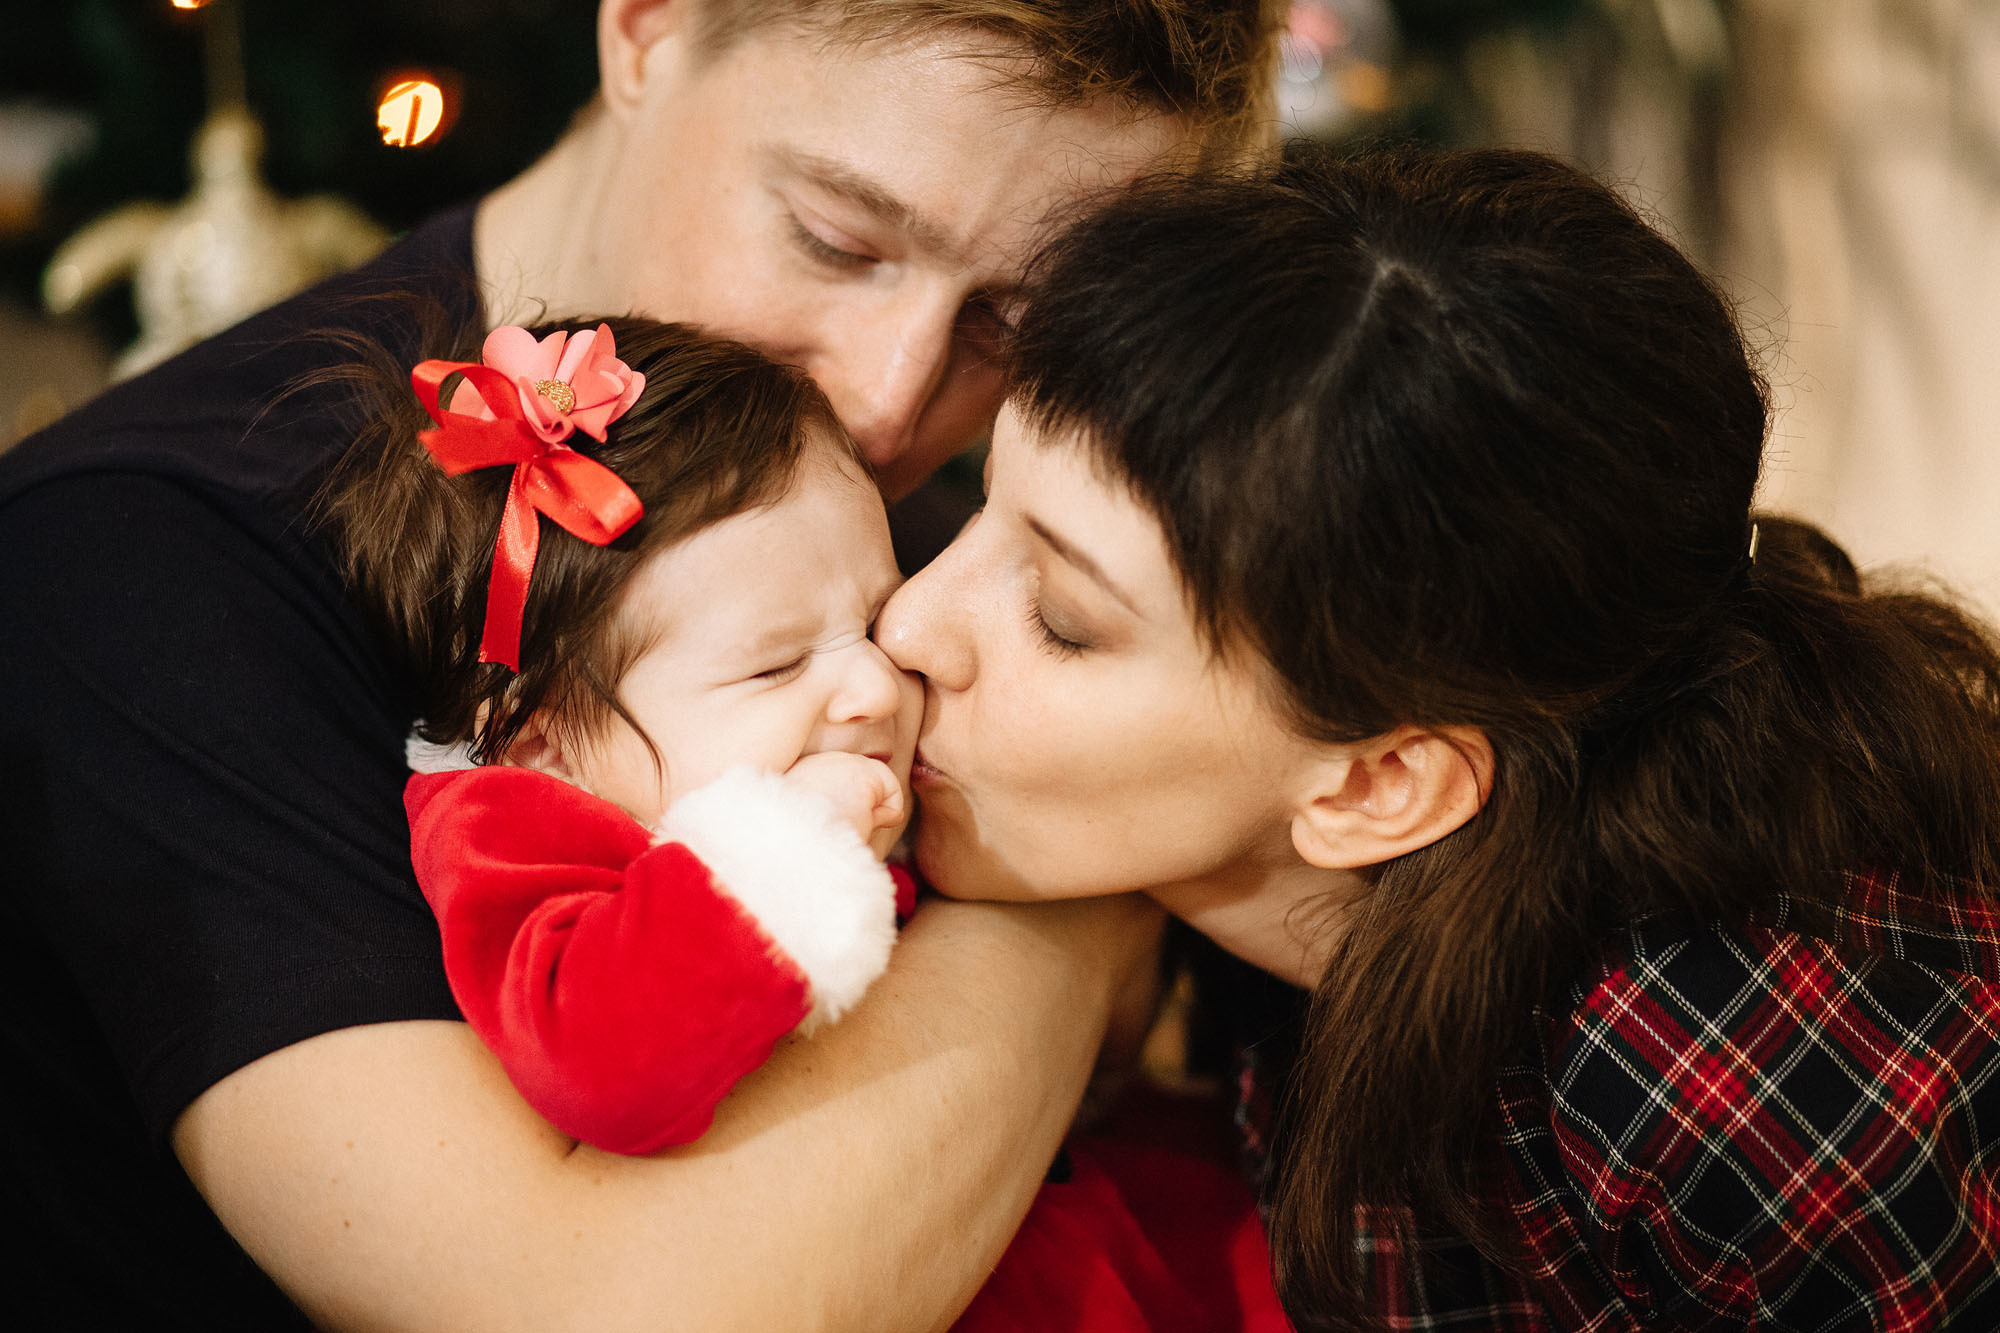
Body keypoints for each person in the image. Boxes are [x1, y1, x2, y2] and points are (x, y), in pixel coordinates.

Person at [0, 1, 1282, 1326]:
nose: (890, 403)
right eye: (837, 239)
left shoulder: (953, 538)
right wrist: (1088, 879)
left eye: (1014, 324)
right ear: (646, 28)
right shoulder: (141, 554)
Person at [879, 143, 2000, 1330]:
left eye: (1063, 622)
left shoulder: (1743, 1080)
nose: (907, 622)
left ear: (1382, 783)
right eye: (979, 498)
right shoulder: (1298, 893)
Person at [330, 316, 922, 1155]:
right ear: (548, 748)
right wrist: (786, 851)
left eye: (876, 617)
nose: (875, 684)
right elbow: (597, 1065)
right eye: (777, 665)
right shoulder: (511, 835)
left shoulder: (864, 730)